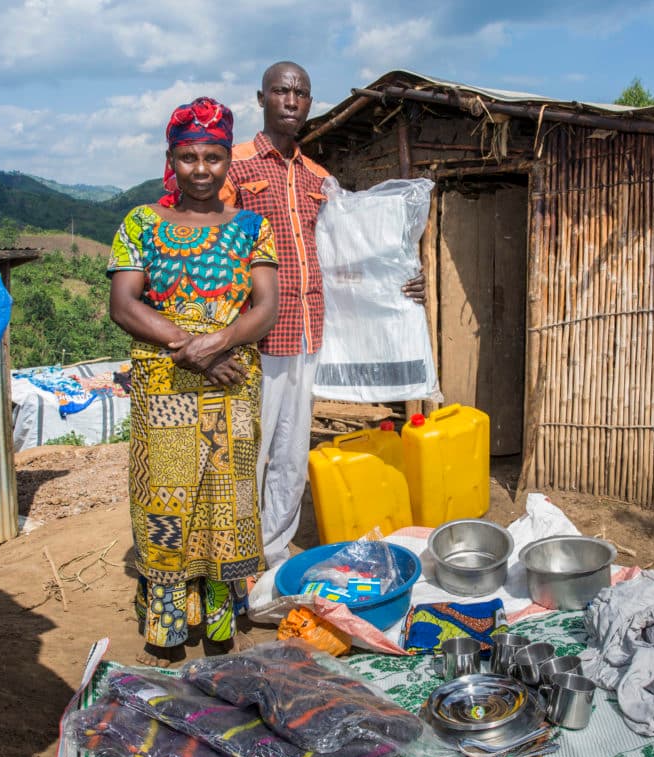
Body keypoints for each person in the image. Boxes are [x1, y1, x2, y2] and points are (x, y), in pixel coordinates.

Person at [222, 61, 425, 567]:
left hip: (308, 334)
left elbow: (341, 260)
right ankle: (232, 556)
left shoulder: (320, 178)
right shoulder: (235, 166)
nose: (291, 100)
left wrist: (399, 287)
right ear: (261, 97)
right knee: (247, 451)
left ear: (309, 103)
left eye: (301, 93)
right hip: (253, 339)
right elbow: (211, 248)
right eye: (281, 91)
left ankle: (269, 556)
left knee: (290, 457)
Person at [108, 97, 279, 664]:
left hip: (233, 385)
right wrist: (193, 348)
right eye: (188, 156)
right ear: (171, 160)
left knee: (227, 503)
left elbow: (266, 308)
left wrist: (221, 342)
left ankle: (222, 622)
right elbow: (124, 304)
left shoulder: (253, 228)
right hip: (165, 386)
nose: (201, 168)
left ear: (228, 160)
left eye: (212, 156)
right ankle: (167, 627)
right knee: (167, 500)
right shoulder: (141, 224)